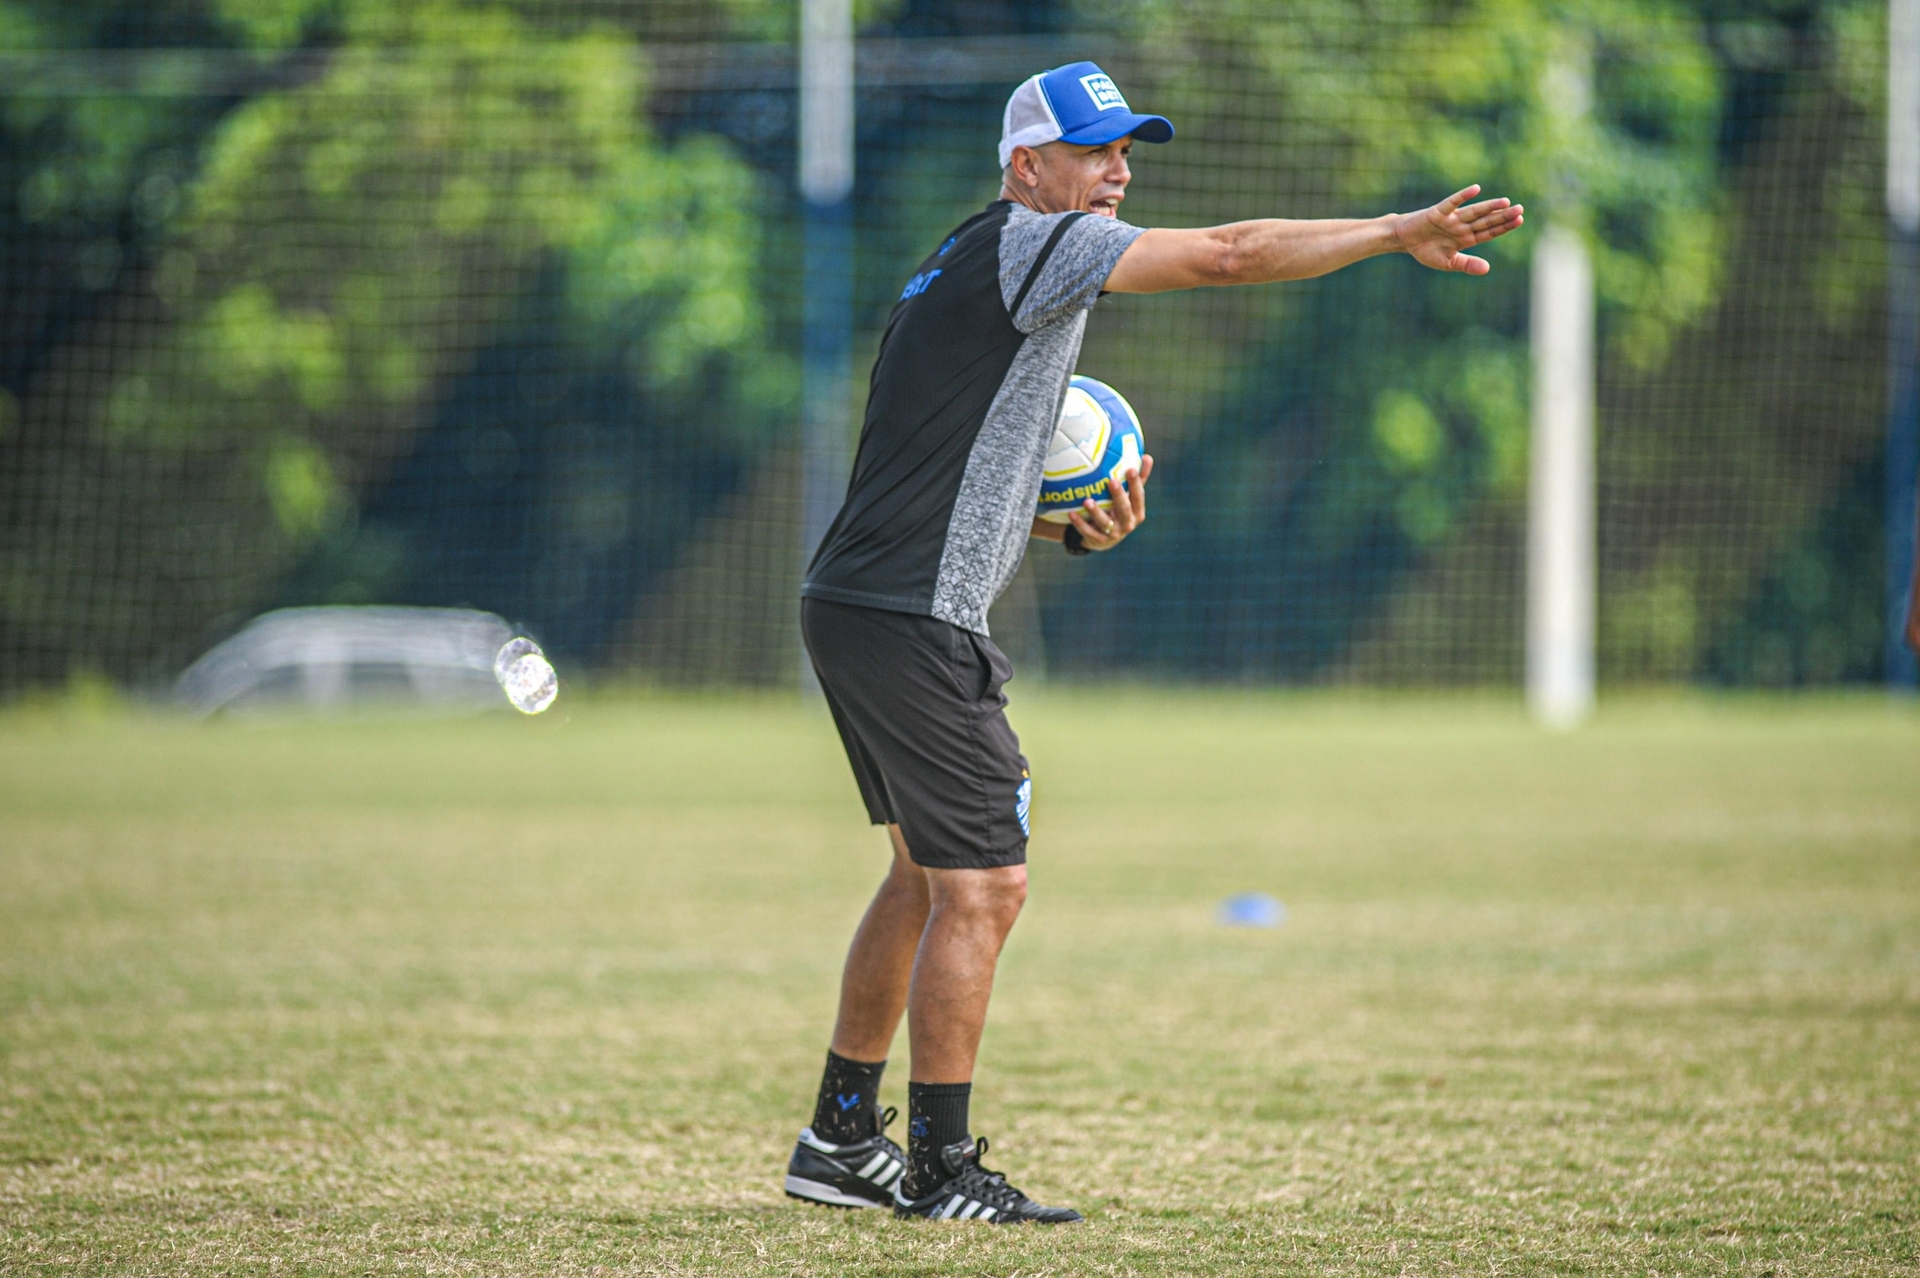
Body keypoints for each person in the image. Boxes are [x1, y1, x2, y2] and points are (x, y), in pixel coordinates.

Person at [784, 61, 1524, 1225]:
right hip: (910, 617)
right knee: (988, 886)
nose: (1118, 172)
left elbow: (945, 467)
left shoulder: (965, 257)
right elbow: (1229, 254)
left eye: (1127, 150)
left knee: (926, 878)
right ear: (1028, 166)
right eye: (1094, 150)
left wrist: (1072, 526)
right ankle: (939, 1168)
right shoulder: (1039, 243)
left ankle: (839, 1137)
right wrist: (1394, 231)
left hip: (861, 602)